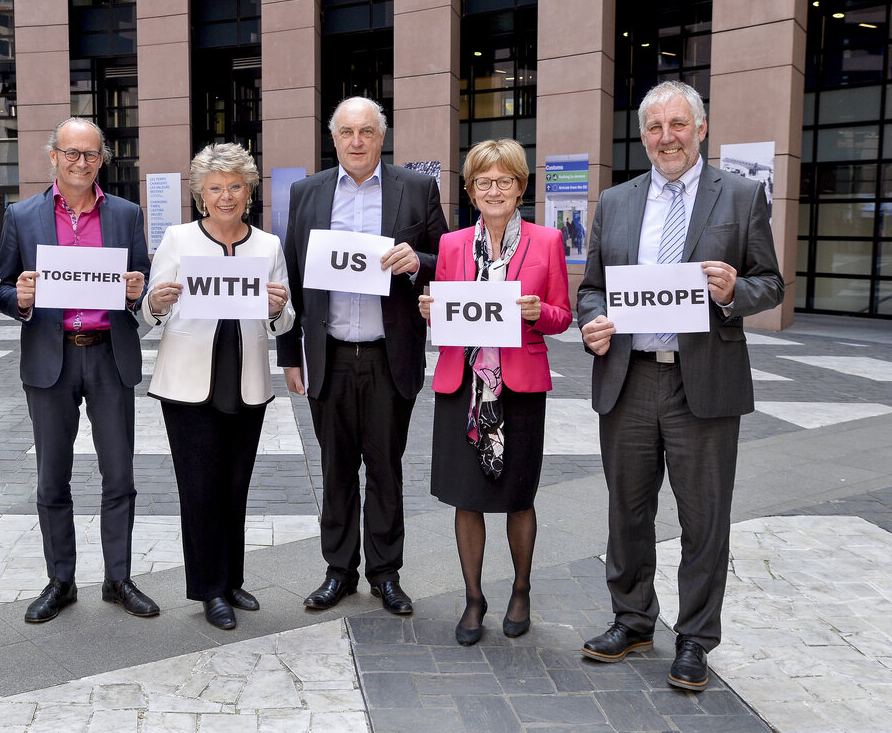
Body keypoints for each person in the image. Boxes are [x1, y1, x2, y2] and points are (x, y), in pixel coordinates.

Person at [577, 80, 784, 690]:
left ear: (700, 129)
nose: (666, 137)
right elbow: (591, 286)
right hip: (630, 379)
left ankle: (694, 638)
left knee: (704, 518)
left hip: (705, 385)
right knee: (628, 511)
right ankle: (633, 619)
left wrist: (732, 292)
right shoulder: (615, 202)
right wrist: (592, 321)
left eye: (677, 125)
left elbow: (769, 283)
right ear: (642, 136)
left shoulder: (742, 196)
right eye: (654, 127)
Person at [278, 96, 449, 615]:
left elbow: (449, 260)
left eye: (367, 132)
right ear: (333, 139)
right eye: (347, 132)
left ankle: (386, 573)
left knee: (385, 467)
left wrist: (417, 261)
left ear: (382, 137)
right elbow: (290, 277)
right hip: (327, 355)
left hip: (387, 356)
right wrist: (290, 354)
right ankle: (338, 572)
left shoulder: (417, 190)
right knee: (335, 469)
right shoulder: (306, 193)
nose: (357, 141)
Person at [0, 116, 158, 624]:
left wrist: (137, 292)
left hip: (110, 354)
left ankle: (119, 578)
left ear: (102, 159)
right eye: (71, 153)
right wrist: (16, 299)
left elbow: (143, 279)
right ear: (53, 157)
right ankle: (60, 581)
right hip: (51, 356)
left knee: (120, 475)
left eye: (89, 154)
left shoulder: (127, 214)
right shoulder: (22, 216)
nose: (80, 162)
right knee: (52, 479)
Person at [418, 139, 571, 645]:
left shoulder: (547, 242)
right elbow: (443, 307)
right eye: (483, 182)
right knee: (468, 498)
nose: (494, 190)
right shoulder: (452, 245)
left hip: (518, 388)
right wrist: (430, 311)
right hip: (463, 388)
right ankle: (474, 598)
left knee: (518, 497)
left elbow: (562, 316)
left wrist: (536, 313)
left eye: (505, 180)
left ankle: (521, 589)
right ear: (470, 190)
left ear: (521, 187)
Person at [143, 143, 295, 630]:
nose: (225, 196)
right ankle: (208, 589)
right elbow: (149, 312)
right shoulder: (178, 238)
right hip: (188, 385)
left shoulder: (268, 245)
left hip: (246, 382)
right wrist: (157, 302)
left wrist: (277, 308)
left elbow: (285, 320)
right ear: (199, 194)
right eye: (214, 188)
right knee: (200, 489)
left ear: (248, 192)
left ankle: (231, 579)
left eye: (234, 186)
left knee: (235, 486)